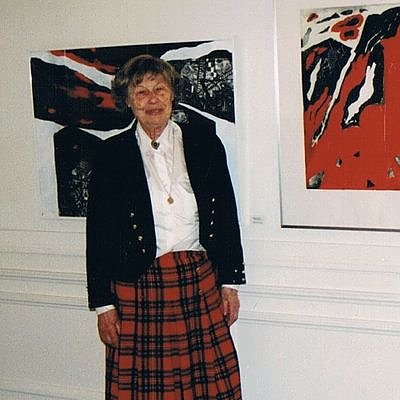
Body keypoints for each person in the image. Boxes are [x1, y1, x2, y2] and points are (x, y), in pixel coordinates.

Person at [86, 54, 246, 400]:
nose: (152, 100)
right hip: (136, 284)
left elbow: (226, 212)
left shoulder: (204, 143)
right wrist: (103, 305)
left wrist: (231, 281)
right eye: (141, 92)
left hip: (197, 279)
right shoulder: (111, 155)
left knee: (207, 387)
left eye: (159, 89)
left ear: (172, 94)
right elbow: (98, 233)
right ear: (129, 102)